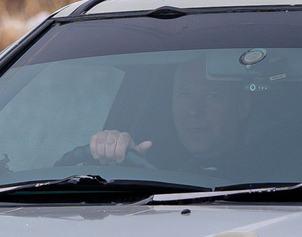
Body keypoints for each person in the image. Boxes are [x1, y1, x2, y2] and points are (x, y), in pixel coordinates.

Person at [87, 55, 250, 171]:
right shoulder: (149, 159)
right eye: (185, 95)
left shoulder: (263, 171)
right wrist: (115, 152)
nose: (194, 110)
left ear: (243, 105)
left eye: (211, 96)